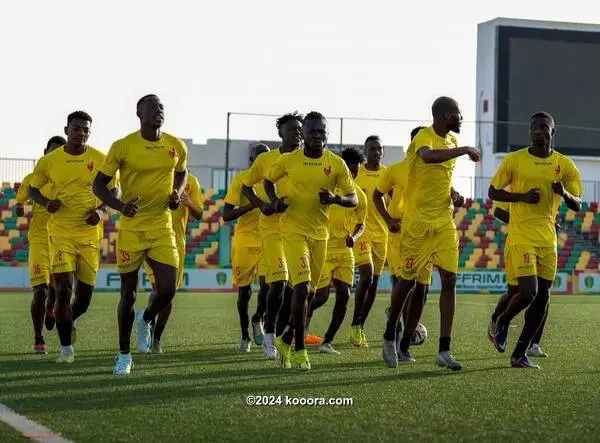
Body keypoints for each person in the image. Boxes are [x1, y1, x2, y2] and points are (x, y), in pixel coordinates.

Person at [93, 94, 188, 375]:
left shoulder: (176, 145)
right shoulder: (122, 146)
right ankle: (124, 355)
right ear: (139, 113)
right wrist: (121, 207)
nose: (159, 111)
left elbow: (182, 173)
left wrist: (176, 193)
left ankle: (145, 319)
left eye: (161, 107)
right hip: (132, 230)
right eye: (152, 107)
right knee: (128, 293)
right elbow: (99, 186)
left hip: (161, 226)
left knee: (168, 289)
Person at [382, 97, 480, 370]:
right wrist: (464, 150)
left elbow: (440, 178)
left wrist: (454, 196)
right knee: (407, 283)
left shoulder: (449, 141)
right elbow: (427, 157)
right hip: (417, 226)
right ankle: (390, 334)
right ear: (445, 115)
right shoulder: (424, 138)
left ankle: (444, 350)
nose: (461, 119)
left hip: (443, 222)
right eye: (458, 115)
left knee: (449, 280)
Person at [265, 111, 358, 370]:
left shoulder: (336, 164)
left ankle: (285, 338)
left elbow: (354, 199)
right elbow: (268, 180)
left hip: (321, 235)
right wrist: (274, 202)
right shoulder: (289, 160)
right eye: (312, 132)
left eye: (322, 132)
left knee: (313, 293)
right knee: (302, 288)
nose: (317, 136)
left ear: (327, 134)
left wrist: (336, 199)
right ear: (303, 134)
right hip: (293, 232)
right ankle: (300, 349)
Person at [488, 111, 581, 368]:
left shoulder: (564, 164)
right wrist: (521, 197)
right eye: (534, 128)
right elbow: (493, 192)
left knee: (542, 298)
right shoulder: (514, 160)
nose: (538, 131)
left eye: (544, 127)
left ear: (553, 131)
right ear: (529, 131)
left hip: (547, 238)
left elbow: (578, 204)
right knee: (528, 292)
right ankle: (503, 322)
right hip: (520, 235)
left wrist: (564, 194)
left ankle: (519, 353)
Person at [29, 112, 116, 363]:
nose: (82, 133)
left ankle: (65, 318)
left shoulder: (100, 159)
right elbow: (33, 189)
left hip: (89, 236)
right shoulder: (50, 161)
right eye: (77, 129)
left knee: (85, 299)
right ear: (67, 129)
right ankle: (66, 349)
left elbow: (115, 188)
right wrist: (46, 202)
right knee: (64, 289)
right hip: (59, 234)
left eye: (86, 130)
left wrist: (101, 210)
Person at [241, 112, 303, 359]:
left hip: (300, 230)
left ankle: (273, 325)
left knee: (296, 288)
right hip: (272, 230)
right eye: (292, 130)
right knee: (277, 282)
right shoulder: (266, 159)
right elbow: (246, 186)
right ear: (281, 134)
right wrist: (262, 204)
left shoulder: (308, 159)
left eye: (300, 129)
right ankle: (268, 337)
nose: (297, 133)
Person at [374, 126, 431, 355]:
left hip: (426, 235)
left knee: (422, 291)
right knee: (404, 285)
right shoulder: (396, 170)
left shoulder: (436, 170)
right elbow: (377, 194)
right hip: (400, 235)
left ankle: (405, 339)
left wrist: (454, 197)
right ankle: (397, 338)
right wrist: (388, 218)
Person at [306, 147, 367, 355]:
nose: (353, 175)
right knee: (320, 296)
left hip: (344, 250)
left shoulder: (359, 196)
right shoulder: (327, 188)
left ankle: (327, 341)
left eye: (357, 172)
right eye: (351, 171)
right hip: (323, 247)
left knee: (344, 294)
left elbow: (361, 224)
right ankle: (296, 319)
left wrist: (355, 237)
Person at [143, 171, 203, 353]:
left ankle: (156, 336)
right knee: (157, 290)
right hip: (152, 239)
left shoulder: (191, 181)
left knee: (168, 295)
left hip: (177, 245)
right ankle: (146, 323)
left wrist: (188, 202)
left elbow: (199, 214)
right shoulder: (155, 175)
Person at [16, 135, 66, 353]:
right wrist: (20, 207)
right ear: (45, 152)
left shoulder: (67, 179)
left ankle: (50, 309)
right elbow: (22, 200)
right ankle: (39, 339)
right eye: (51, 151)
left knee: (58, 290)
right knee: (40, 291)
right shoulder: (32, 178)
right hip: (39, 240)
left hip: (62, 239)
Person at [490, 200, 557, 358]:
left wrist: (547, 222)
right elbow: (498, 211)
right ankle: (498, 319)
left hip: (545, 242)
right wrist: (526, 221)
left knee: (543, 295)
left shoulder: (554, 184)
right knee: (517, 292)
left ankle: (532, 344)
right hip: (520, 241)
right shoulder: (519, 181)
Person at [223, 143, 270, 352]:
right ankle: (245, 335)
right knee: (244, 293)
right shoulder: (241, 180)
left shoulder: (275, 179)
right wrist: (250, 205)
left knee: (270, 287)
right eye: (259, 158)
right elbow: (226, 215)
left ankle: (258, 318)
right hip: (244, 240)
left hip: (268, 239)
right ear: (252, 161)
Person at [350, 135, 388, 347]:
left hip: (382, 235)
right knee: (365, 276)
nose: (376, 152)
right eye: (372, 149)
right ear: (365, 151)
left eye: (379, 149)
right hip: (361, 231)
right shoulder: (356, 174)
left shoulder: (387, 174)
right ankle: (355, 321)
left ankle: (359, 326)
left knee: (373, 282)